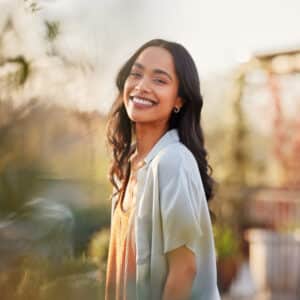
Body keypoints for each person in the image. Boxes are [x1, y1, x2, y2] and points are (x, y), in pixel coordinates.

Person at [105, 39, 221, 300]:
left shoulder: (172, 162)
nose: (142, 86)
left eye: (159, 80)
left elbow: (184, 270)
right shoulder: (127, 165)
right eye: (136, 74)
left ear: (179, 99)